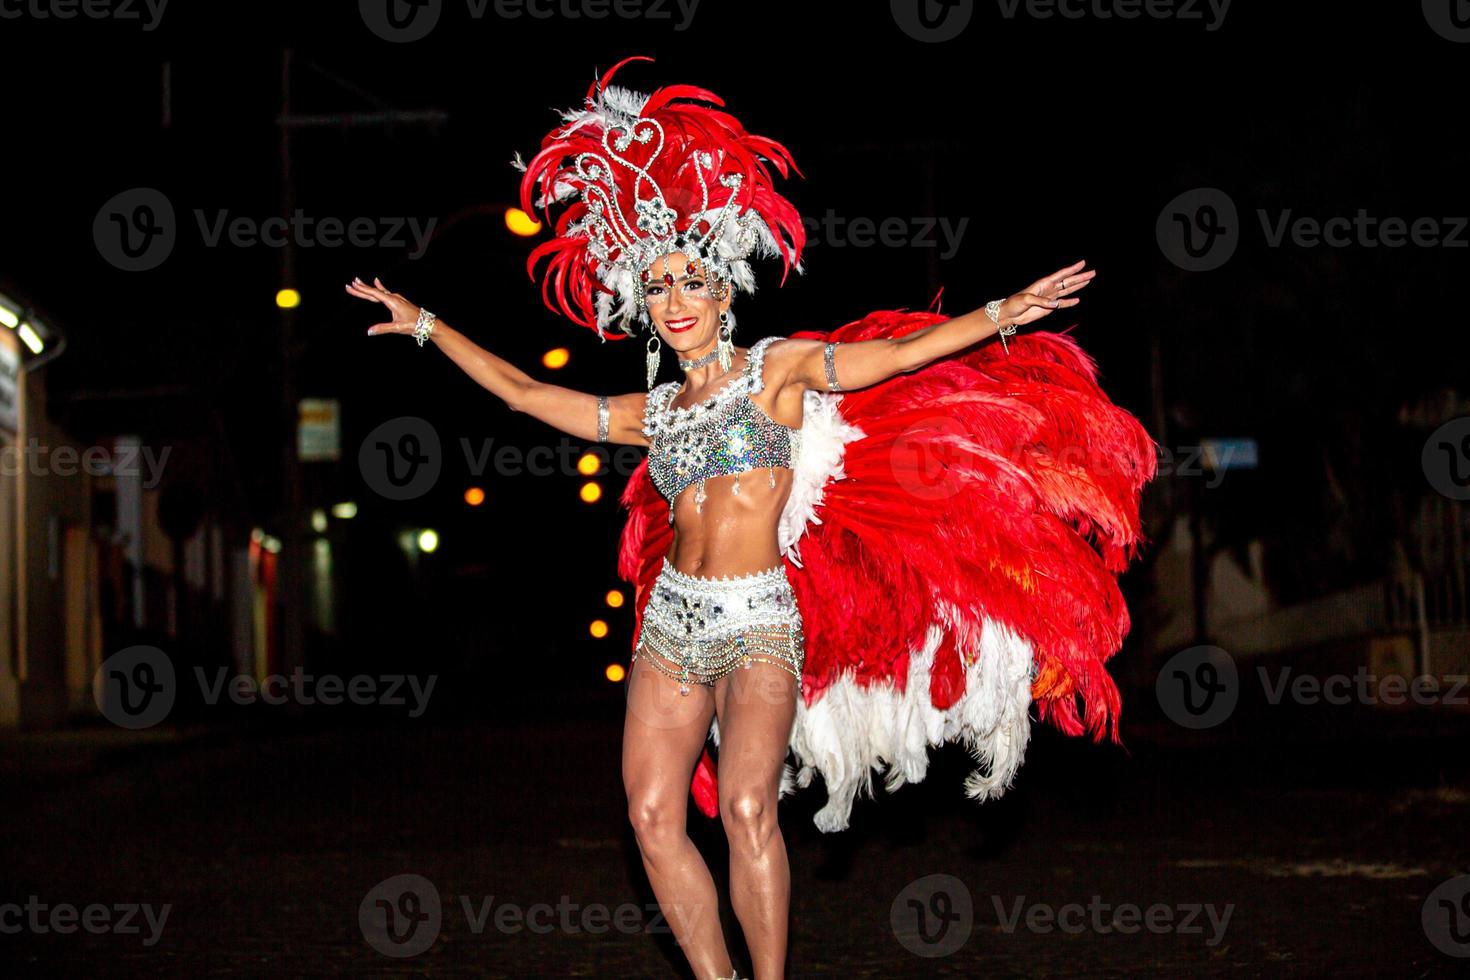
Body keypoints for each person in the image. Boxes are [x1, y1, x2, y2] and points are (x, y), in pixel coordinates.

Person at [348, 56, 1155, 980]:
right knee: (652, 818)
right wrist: (425, 327)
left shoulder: (778, 371)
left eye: (693, 282)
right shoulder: (652, 414)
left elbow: (898, 356)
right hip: (671, 626)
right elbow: (530, 395)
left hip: (759, 622)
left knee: (744, 813)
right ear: (640, 306)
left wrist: (1001, 314)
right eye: (658, 287)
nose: (677, 302)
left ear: (725, 289)